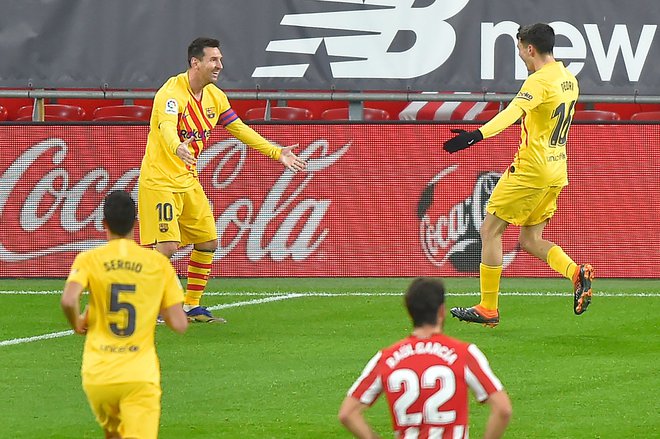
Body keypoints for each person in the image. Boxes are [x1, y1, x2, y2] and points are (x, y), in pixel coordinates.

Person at [138, 37, 307, 323]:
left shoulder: (214, 97)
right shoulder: (171, 93)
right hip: (160, 181)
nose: (220, 65)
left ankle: (191, 305)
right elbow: (167, 125)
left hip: (188, 180)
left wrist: (276, 152)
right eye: (213, 60)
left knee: (208, 241)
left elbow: (239, 129)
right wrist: (176, 145)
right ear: (196, 62)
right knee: (165, 248)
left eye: (219, 59)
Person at [442, 23, 594, 327]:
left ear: (530, 49)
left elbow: (512, 112)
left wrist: (475, 135)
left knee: (490, 231)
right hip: (557, 169)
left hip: (530, 169)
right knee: (530, 238)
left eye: (520, 50)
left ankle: (488, 307)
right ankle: (576, 273)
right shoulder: (569, 79)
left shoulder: (538, 82)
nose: (522, 56)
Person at [61, 190, 188, 439]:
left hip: (98, 376)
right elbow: (179, 323)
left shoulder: (89, 259)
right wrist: (156, 303)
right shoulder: (157, 264)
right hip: (139, 376)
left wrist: (77, 321)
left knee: (115, 435)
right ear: (136, 222)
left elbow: (68, 299)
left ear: (103, 223)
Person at [338, 277, 512, 439]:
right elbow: (503, 409)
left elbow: (347, 413)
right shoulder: (464, 353)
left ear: (409, 311)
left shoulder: (386, 358)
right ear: (441, 311)